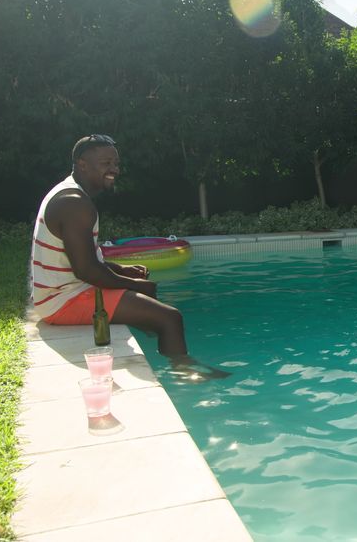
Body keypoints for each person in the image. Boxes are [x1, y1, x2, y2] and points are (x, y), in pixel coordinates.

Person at [30, 134, 229, 380]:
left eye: (116, 163)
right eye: (106, 163)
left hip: (62, 292)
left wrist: (122, 270)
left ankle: (160, 346)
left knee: (149, 300)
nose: (114, 169)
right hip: (61, 300)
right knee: (170, 318)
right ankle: (184, 374)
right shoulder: (75, 203)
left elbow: (81, 259)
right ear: (82, 164)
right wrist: (133, 285)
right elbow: (85, 270)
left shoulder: (70, 194)